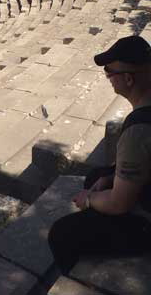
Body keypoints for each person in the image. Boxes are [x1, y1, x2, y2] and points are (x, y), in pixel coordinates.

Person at [48, 35, 151, 274]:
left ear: (127, 79)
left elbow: (118, 204)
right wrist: (109, 178)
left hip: (145, 223)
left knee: (60, 234)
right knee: (98, 175)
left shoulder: (138, 132)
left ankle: (77, 279)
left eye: (109, 73)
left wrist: (89, 199)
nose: (108, 79)